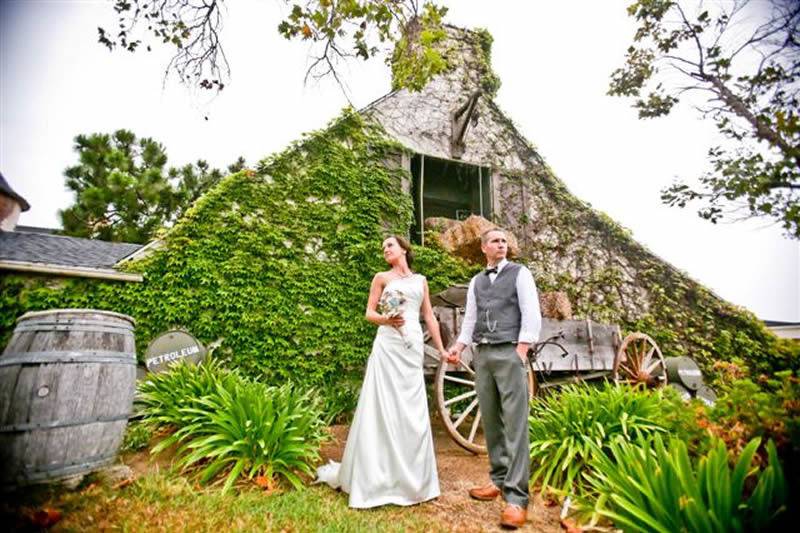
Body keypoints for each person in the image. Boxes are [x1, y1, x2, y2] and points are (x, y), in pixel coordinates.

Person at [316, 235, 452, 508]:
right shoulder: (381, 277)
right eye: (383, 248)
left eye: (389, 245)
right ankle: (376, 478)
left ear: (403, 249)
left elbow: (428, 317)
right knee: (383, 405)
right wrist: (386, 319)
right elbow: (369, 313)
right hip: (388, 344)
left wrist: (442, 351)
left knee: (410, 407)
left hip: (411, 345)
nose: (385, 250)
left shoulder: (420, 280)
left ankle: (412, 480)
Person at [447, 228, 541, 529]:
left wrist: (522, 348)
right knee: (490, 420)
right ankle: (498, 479)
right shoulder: (476, 281)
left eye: (504, 241)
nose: (501, 245)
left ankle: (516, 498)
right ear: (484, 248)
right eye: (495, 241)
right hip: (483, 355)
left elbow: (531, 311)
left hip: (509, 352)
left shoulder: (520, 273)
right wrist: (459, 346)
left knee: (515, 423)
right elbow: (470, 320)